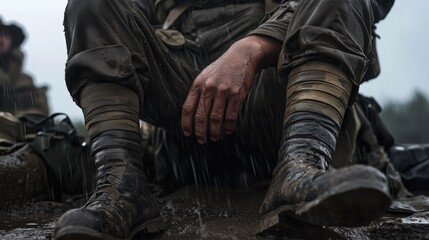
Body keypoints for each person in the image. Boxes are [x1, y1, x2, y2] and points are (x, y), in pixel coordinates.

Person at [54, 0, 395, 239]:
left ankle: (301, 167)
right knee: (91, 4)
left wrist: (255, 46)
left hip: (277, 95)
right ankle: (121, 187)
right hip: (185, 111)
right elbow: (112, 19)